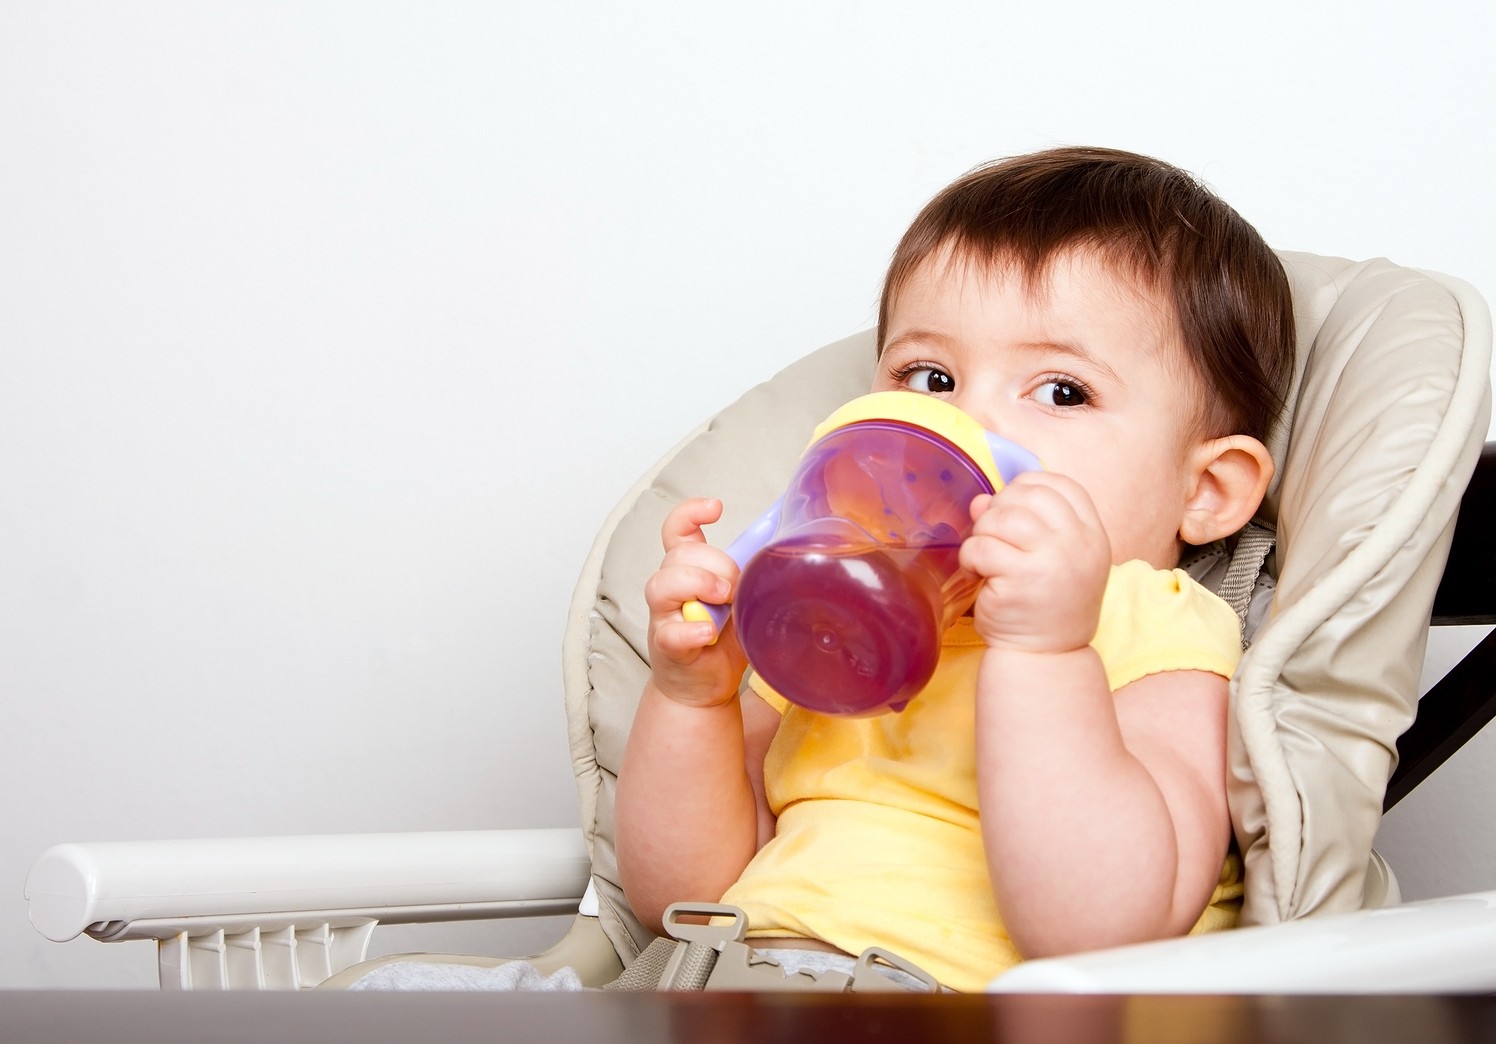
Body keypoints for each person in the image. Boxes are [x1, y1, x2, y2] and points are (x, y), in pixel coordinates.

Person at [614, 146, 1296, 993]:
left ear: (1206, 492)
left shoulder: (1153, 624)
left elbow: (1101, 928)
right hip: (727, 984)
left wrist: (1046, 653)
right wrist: (696, 699)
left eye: (1061, 392)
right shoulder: (836, 609)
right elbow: (677, 895)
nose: (964, 422)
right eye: (929, 377)